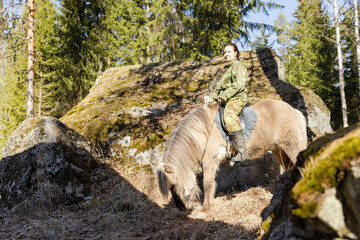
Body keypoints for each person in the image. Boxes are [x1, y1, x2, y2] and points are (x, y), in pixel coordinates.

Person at [203, 43, 249, 162]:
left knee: (229, 116)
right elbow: (218, 91)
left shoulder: (238, 65)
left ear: (235, 53)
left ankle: (242, 151)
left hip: (236, 98)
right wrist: (211, 99)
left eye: (229, 52)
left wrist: (224, 96)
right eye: (224, 52)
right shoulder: (226, 70)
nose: (226, 54)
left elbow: (239, 84)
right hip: (226, 99)